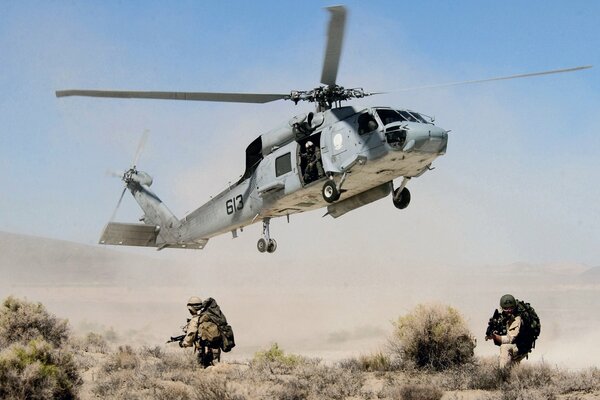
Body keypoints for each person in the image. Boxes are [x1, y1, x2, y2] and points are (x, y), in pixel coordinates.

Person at [485, 294, 527, 369]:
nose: (509, 310)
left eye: (511, 308)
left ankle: (502, 374)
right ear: (502, 308)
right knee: (513, 370)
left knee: (504, 347)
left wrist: (494, 336)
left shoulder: (517, 319)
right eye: (506, 308)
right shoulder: (502, 318)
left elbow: (510, 339)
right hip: (516, 346)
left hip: (521, 347)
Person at [179, 296, 221, 368]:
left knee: (203, 369)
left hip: (203, 351)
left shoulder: (196, 319)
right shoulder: (210, 316)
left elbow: (191, 334)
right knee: (216, 369)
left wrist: (183, 343)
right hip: (216, 349)